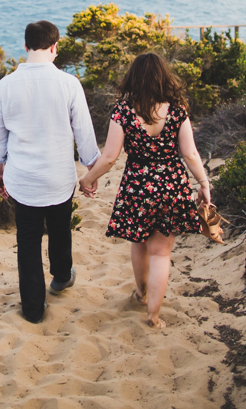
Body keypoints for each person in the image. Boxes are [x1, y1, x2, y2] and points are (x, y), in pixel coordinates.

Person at [78, 52, 211, 328]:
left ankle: (140, 294)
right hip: (172, 184)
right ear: (164, 77)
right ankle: (153, 315)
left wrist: (88, 179)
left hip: (137, 186)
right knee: (162, 252)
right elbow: (191, 154)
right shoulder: (177, 110)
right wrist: (203, 183)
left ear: (133, 78)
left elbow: (110, 157)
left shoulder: (123, 111)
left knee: (138, 243)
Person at [0, 20, 100, 324]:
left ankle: (33, 309)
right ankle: (62, 277)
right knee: (60, 229)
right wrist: (91, 171)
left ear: (25, 47)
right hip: (59, 178)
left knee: (27, 241)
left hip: (22, 180)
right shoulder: (69, 84)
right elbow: (84, 134)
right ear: (55, 47)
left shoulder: (6, 86)